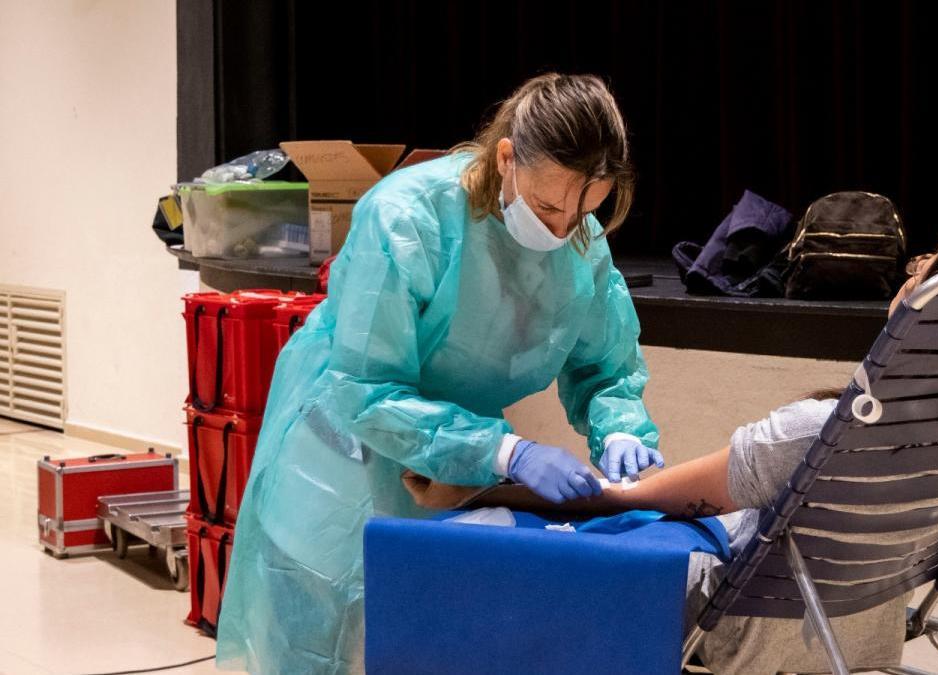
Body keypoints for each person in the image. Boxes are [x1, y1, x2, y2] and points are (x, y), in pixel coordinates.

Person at [216, 73, 665, 674]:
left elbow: (604, 365)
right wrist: (504, 451)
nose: (562, 231)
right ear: (506, 158)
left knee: (429, 629)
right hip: (341, 447)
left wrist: (622, 429)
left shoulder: (578, 241)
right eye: (549, 207)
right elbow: (366, 390)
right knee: (325, 634)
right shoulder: (407, 217)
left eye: (584, 211)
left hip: (450, 458)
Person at [475, 227, 938, 674]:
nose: (910, 272)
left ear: (926, 306)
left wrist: (493, 482)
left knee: (514, 547)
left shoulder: (818, 431)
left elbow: (636, 497)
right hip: (863, 629)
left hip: (746, 632)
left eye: (923, 266)